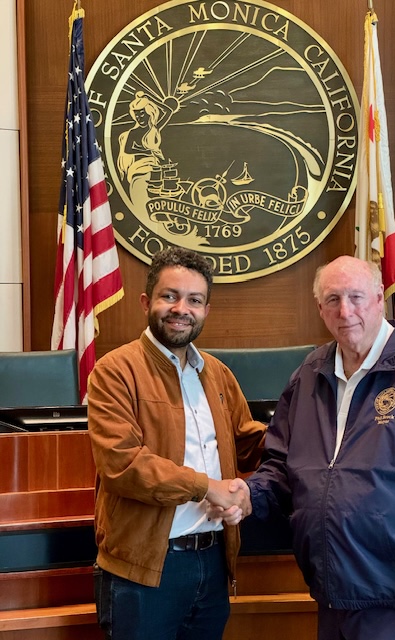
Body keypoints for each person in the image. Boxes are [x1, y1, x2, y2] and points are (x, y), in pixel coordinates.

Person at [229, 255, 395, 640]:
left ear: (380, 298)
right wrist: (250, 492)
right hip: (332, 589)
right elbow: (280, 464)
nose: (345, 311)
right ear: (320, 309)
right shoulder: (308, 375)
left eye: (356, 297)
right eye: (333, 299)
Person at [88, 246, 265, 640]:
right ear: (146, 301)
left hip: (213, 563)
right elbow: (123, 466)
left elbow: (249, 444)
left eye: (194, 300)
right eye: (170, 296)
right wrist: (208, 487)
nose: (181, 308)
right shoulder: (114, 371)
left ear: (206, 310)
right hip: (145, 570)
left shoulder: (217, 374)